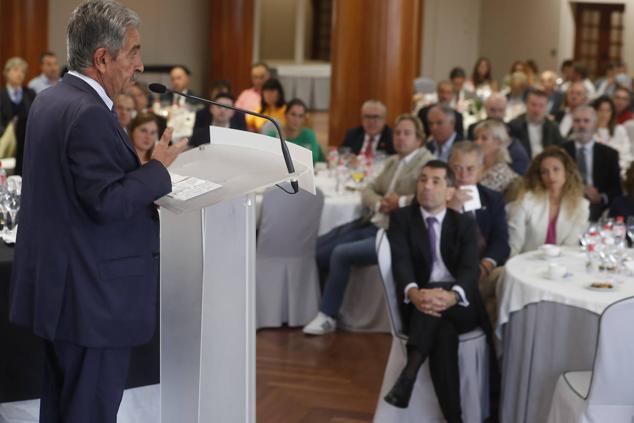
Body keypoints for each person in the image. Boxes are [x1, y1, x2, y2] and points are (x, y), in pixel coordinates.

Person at [9, 2, 187, 422]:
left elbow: (75, 193)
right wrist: (158, 171)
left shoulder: (50, 100)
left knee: (62, 408)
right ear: (102, 58)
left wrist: (140, 174)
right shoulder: (89, 112)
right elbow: (105, 201)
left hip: (60, 291)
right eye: (133, 53)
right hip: (91, 298)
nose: (140, 65)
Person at [304, 115, 435, 335]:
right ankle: (318, 305)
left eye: (407, 133)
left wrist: (400, 201)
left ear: (419, 139)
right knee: (320, 247)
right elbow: (368, 189)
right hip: (374, 221)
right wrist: (378, 203)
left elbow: (431, 197)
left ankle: (328, 316)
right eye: (397, 133)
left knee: (341, 253)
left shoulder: (426, 164)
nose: (400, 138)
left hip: (397, 234)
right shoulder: (394, 161)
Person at [383, 160, 489, 422]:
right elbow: (401, 262)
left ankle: (409, 373)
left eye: (435, 181)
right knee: (442, 332)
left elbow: (469, 269)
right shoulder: (402, 219)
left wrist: (452, 295)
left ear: (451, 191)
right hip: (419, 303)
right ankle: (455, 418)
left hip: (460, 304)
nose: (426, 186)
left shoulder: (463, 223)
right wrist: (414, 293)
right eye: (422, 179)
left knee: (438, 304)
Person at [447, 142, 510, 322]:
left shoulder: (493, 199)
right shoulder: (439, 198)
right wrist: (451, 212)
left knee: (504, 275)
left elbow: (501, 241)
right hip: (452, 273)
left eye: (470, 169)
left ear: (482, 170)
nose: (462, 175)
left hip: (483, 271)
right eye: (457, 168)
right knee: (489, 307)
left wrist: (486, 265)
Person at [507, 146, 588, 256]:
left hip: (561, 265)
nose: (551, 176)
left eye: (556, 169)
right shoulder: (526, 201)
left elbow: (570, 247)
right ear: (540, 176)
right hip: (526, 264)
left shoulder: (581, 206)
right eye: (545, 172)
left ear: (567, 172)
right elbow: (514, 245)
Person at [562, 106, 622, 221]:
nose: (582, 125)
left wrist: (600, 197)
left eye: (586, 121)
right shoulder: (561, 151)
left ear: (595, 125)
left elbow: (616, 188)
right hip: (567, 203)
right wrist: (578, 191)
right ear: (572, 124)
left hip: (598, 207)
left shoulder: (610, 154)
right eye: (577, 121)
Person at [466, 93, 530, 174]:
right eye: (493, 110)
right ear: (486, 109)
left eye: (500, 110)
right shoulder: (475, 128)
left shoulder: (514, 130)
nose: (496, 115)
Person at [1, 57, 37, 175]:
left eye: (22, 71)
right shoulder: (1, 95)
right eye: (16, 70)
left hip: (26, 145)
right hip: (5, 144)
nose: (20, 74)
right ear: (6, 72)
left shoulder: (30, 93)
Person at [508, 88, 565, 158]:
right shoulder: (514, 125)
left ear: (546, 107)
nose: (537, 110)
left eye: (541, 106)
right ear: (526, 104)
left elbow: (561, 149)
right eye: (533, 105)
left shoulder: (553, 126)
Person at [268, 98, 324, 163]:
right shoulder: (273, 135)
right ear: (285, 115)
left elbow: (313, 158)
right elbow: (268, 159)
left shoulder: (309, 135)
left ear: (304, 119)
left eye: (300, 116)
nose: (296, 119)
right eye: (293, 114)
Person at [472, 120, 518, 193]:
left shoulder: (500, 173)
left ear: (498, 143)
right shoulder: (478, 166)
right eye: (476, 138)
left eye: (484, 138)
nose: (477, 142)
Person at [592, 95, 633, 176]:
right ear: (594, 111)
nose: (604, 114)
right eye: (601, 110)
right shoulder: (589, 133)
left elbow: (627, 155)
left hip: (621, 171)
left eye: (608, 110)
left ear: (612, 112)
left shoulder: (620, 130)